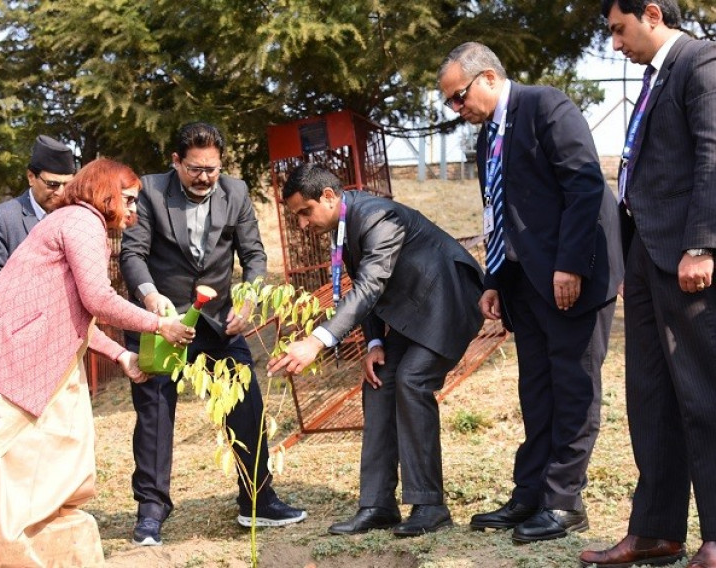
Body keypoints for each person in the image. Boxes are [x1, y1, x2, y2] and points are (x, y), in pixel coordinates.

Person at [0, 158, 194, 566]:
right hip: (2, 362)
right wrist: (160, 325)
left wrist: (122, 354)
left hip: (14, 362)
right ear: (105, 192)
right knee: (1, 487)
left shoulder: (74, 222)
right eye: (128, 200)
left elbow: (73, 315)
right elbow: (99, 301)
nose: (134, 212)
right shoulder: (82, 222)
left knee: (46, 469)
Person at [437, 42, 624, 543]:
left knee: (573, 389)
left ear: (489, 78)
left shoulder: (546, 106)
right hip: (525, 284)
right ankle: (530, 494)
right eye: (450, 103)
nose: (457, 110)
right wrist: (496, 279)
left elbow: (584, 186)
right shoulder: (486, 140)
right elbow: (497, 214)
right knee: (536, 392)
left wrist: (570, 265)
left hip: (573, 278)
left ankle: (565, 502)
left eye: (459, 97)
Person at [267, 164, 485, 537]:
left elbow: (370, 286)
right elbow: (365, 289)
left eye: (305, 212)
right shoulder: (344, 226)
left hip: (450, 300)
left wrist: (317, 340)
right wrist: (374, 342)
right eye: (296, 217)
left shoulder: (376, 216)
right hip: (411, 312)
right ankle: (378, 504)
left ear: (330, 197)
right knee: (380, 381)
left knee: (412, 380)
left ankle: (429, 505)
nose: (303, 225)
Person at [120, 122, 307, 546]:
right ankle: (151, 512)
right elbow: (132, 254)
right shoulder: (147, 191)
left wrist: (248, 301)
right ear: (175, 162)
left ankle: (257, 500)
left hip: (221, 322)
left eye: (212, 169)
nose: (205, 177)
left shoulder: (236, 192)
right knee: (154, 414)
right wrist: (152, 303)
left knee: (246, 404)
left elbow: (254, 254)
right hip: (163, 322)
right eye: (194, 169)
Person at [579, 2, 716, 567]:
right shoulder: (657, 76)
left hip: (685, 253)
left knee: (703, 396)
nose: (614, 43)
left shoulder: (700, 61)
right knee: (651, 399)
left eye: (618, 29)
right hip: (646, 251)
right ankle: (657, 530)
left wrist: (703, 243)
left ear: (652, 13)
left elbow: (713, 153)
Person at [0, 134, 76, 293]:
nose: (61, 193)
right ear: (31, 177)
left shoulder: (73, 217)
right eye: (53, 184)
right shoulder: (3, 218)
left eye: (67, 185)